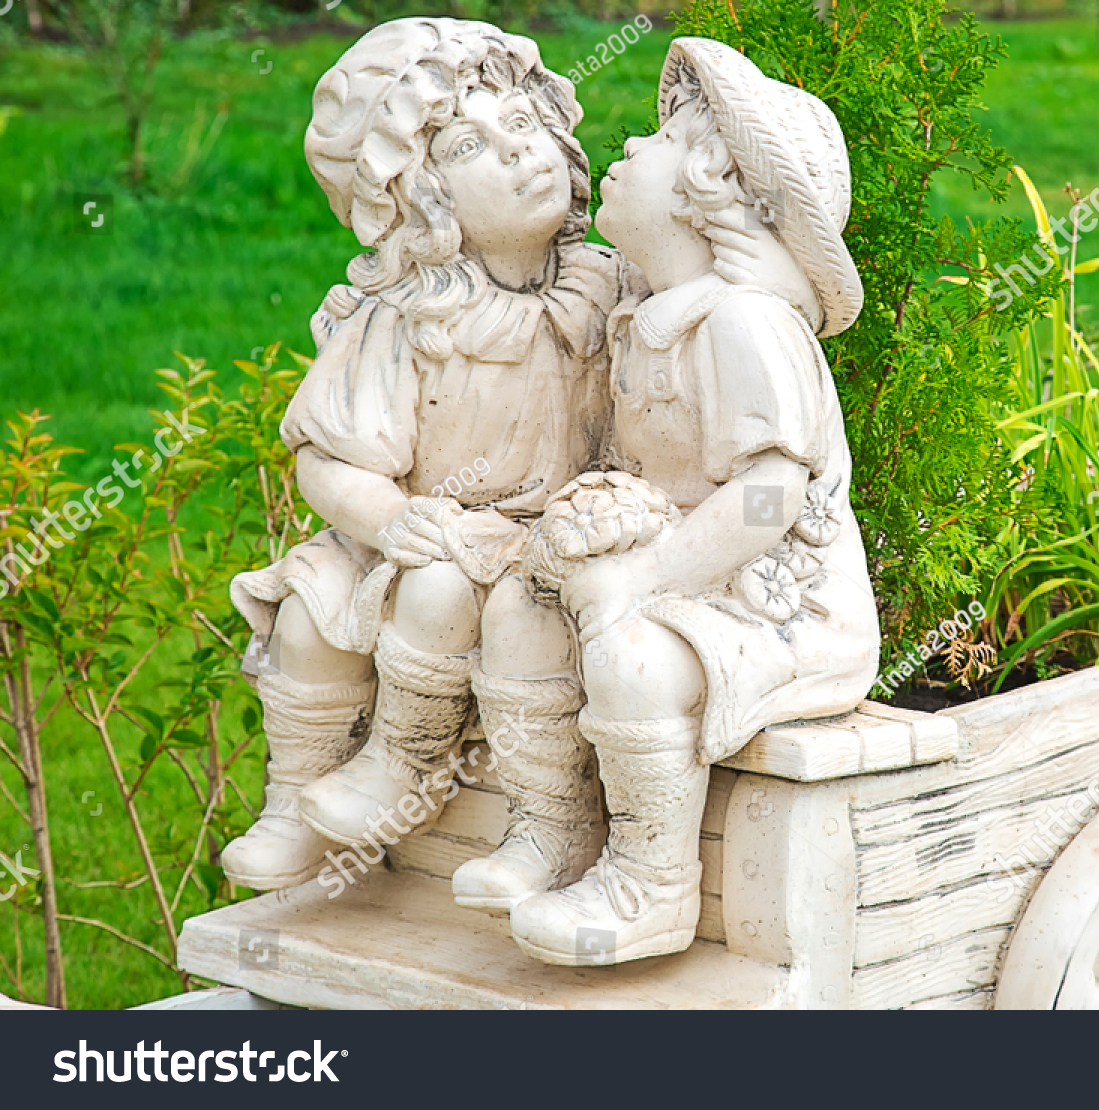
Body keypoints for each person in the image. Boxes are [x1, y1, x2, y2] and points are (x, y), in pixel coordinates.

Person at [500, 38, 881, 965]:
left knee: (630, 658)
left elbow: (771, 497)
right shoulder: (650, 311)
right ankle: (549, 828)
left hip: (781, 607)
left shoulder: (746, 326)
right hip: (682, 576)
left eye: (664, 135)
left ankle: (651, 885)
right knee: (517, 607)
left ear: (714, 189)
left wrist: (645, 576)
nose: (629, 143)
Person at [223, 18, 625, 891]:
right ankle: (296, 805)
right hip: (413, 527)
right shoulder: (410, 318)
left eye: (526, 126)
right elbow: (327, 463)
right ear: (419, 200)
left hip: (541, 537)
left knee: (450, 594)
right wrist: (396, 518)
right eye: (475, 145)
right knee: (309, 617)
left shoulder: (608, 289)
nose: (523, 155)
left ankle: (409, 769)